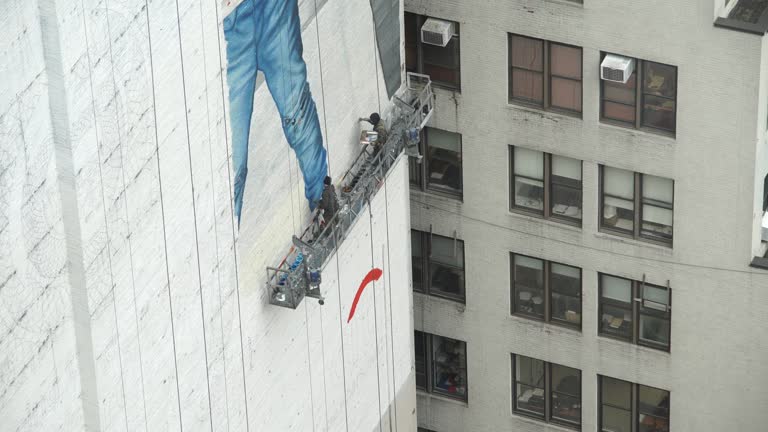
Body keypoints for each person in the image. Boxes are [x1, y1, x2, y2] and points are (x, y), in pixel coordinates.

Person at [224, 0, 328, 228]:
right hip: (226, 26)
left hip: (271, 6)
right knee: (233, 161)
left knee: (297, 113)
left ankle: (324, 202)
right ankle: (226, 244)